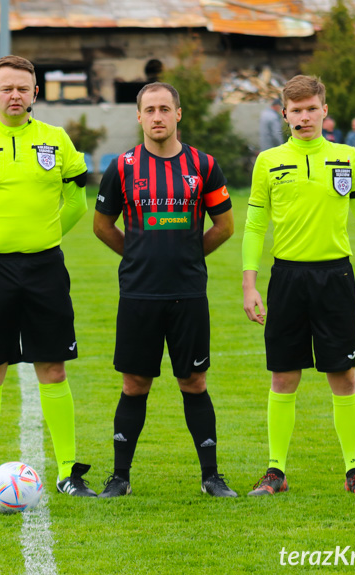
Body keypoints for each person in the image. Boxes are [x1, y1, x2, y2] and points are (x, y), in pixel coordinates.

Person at [0, 55, 95, 501]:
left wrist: (44, 238)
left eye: (22, 89)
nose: (14, 96)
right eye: (6, 88)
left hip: (45, 266)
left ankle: (68, 471)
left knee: (53, 366)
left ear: (34, 94)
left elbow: (77, 203)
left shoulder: (56, 139)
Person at [242, 75, 355, 497]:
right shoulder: (268, 161)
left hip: (335, 277)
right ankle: (275, 472)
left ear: (324, 110)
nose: (303, 117)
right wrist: (250, 284)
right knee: (283, 376)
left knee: (343, 376)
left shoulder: (348, 158)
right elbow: (254, 225)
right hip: (286, 277)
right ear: (283, 113)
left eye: (310, 109)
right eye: (295, 110)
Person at [93, 82, 237, 498]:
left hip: (188, 294)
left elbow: (225, 226)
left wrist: (190, 256)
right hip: (139, 294)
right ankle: (120, 477)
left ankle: (211, 476)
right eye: (149, 110)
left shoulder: (204, 165)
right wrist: (137, 255)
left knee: (194, 382)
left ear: (178, 114)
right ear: (138, 117)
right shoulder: (121, 167)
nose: (157, 116)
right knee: (134, 384)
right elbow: (102, 225)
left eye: (164, 109)